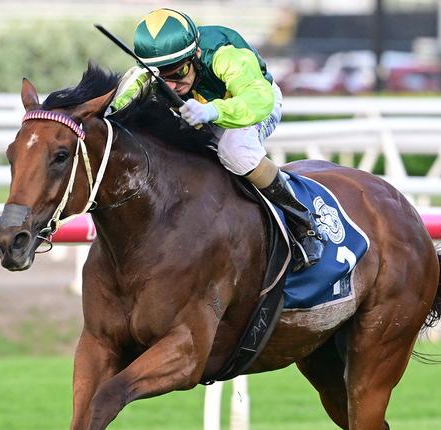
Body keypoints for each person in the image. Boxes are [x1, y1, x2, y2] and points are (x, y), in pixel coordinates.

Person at [110, 8, 324, 271]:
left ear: (195, 55)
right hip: (203, 110)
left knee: (235, 149)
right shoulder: (149, 73)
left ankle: (303, 222)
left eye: (178, 74)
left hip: (252, 104)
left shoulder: (224, 55)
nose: (172, 86)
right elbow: (113, 108)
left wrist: (213, 111)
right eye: (162, 79)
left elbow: (258, 100)